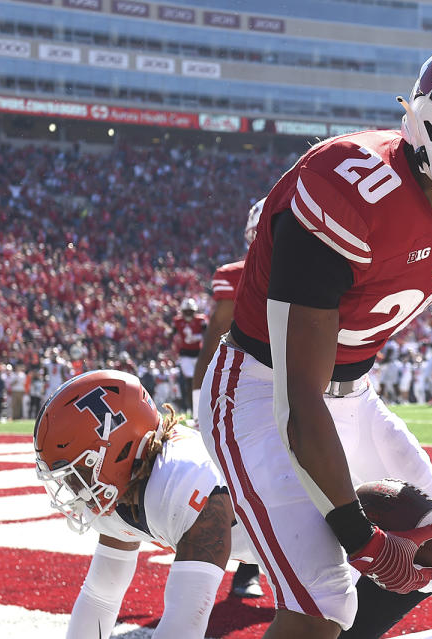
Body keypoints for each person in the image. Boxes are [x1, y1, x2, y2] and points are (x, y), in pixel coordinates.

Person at [200, 38, 432, 639]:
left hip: (351, 395)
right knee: (322, 599)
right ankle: (189, 516)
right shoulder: (345, 188)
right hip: (261, 395)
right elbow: (298, 397)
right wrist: (358, 537)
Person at [33, 369, 247, 639]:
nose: (74, 489)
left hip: (307, 538)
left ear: (119, 449)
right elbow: (100, 597)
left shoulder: (184, 480)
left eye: (80, 470)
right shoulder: (124, 485)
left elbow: (184, 626)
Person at [191, 197, 267, 599]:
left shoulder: (310, 272)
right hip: (237, 390)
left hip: (289, 385)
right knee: (235, 480)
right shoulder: (235, 276)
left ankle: (258, 567)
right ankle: (229, 566)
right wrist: (197, 397)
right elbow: (214, 337)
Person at [171, 297, 208, 415]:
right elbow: (171, 333)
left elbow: (207, 333)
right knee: (190, 381)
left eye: (190, 311)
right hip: (185, 355)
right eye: (186, 311)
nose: (188, 313)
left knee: (201, 381)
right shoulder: (178, 321)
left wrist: (199, 337)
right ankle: (193, 410)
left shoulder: (200, 320)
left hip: (198, 354)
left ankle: (200, 408)